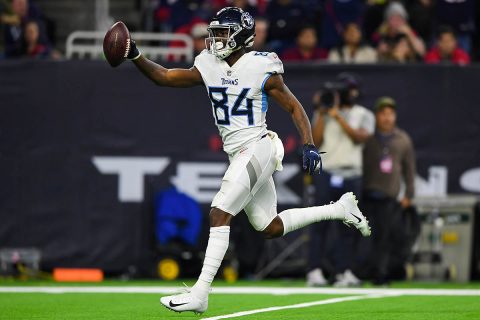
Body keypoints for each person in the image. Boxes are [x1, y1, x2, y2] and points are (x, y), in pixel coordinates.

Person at [118, 7, 370, 313]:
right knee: (269, 227)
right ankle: (340, 209)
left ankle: (200, 293)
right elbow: (165, 77)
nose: (215, 38)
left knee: (219, 212)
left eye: (222, 32)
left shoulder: (260, 66)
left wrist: (309, 144)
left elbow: (294, 107)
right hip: (239, 152)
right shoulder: (208, 64)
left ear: (240, 36)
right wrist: (134, 55)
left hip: (259, 147)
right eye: (215, 32)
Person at [309, 73, 375, 287]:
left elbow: (359, 138)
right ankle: (315, 271)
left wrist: (337, 116)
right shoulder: (324, 113)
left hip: (352, 175)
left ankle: (343, 271)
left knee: (348, 227)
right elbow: (315, 141)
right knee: (320, 225)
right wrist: (322, 112)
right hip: (327, 172)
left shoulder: (364, 114)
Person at [362, 96, 416, 285]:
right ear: (376, 116)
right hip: (365, 194)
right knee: (364, 236)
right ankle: (360, 272)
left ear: (395, 116)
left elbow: (410, 169)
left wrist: (409, 194)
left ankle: (381, 273)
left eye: (390, 114)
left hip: (389, 196)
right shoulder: (367, 137)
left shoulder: (402, 140)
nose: (386, 118)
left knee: (385, 238)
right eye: (383, 114)